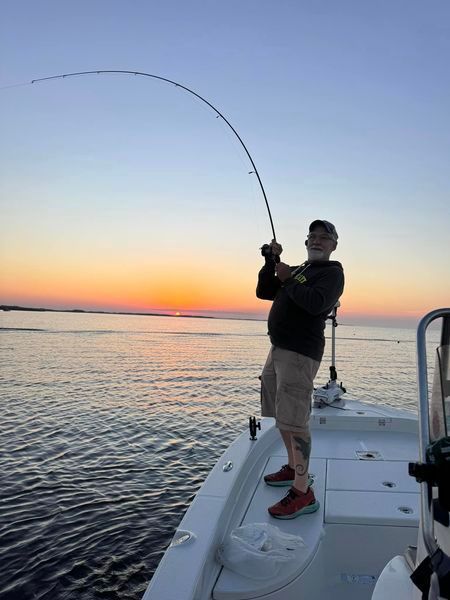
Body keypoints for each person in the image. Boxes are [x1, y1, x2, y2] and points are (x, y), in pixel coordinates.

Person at [256, 219, 344, 519]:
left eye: (324, 237)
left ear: (333, 245)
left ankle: (303, 492)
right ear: (306, 242)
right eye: (312, 237)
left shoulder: (332, 273)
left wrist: (290, 278)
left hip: (299, 354)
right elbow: (265, 291)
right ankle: (293, 467)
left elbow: (316, 304)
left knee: (295, 421)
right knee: (282, 417)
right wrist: (272, 262)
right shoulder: (299, 270)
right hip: (278, 349)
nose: (316, 241)